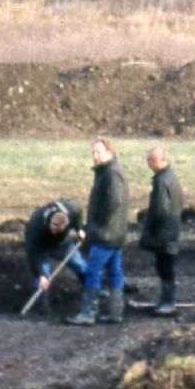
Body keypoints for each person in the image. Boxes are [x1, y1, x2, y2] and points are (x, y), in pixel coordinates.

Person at [70, 137, 129, 326]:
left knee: (92, 272)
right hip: (114, 234)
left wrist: (93, 228)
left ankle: (88, 313)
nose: (95, 156)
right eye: (93, 153)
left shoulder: (111, 174)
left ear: (109, 153)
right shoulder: (109, 172)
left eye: (99, 152)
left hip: (106, 235)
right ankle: (115, 312)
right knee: (114, 272)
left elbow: (113, 204)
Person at [139, 145, 185, 316]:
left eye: (150, 160)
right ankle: (167, 300)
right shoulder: (171, 177)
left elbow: (159, 209)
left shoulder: (161, 180)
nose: (148, 163)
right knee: (166, 266)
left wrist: (150, 230)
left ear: (156, 160)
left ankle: (168, 301)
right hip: (171, 230)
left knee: (164, 267)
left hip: (163, 234)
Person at [21, 199, 79, 313]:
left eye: (58, 230)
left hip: (61, 244)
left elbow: (79, 215)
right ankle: (42, 306)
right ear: (51, 221)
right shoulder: (36, 225)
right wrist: (40, 274)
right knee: (43, 278)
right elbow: (32, 252)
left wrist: (79, 229)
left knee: (80, 265)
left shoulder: (72, 209)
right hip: (40, 248)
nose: (54, 231)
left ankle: (92, 291)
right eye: (53, 227)